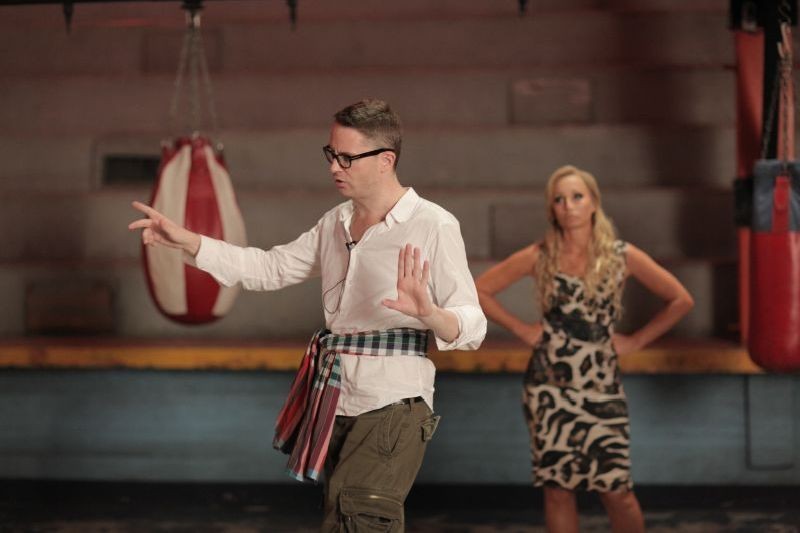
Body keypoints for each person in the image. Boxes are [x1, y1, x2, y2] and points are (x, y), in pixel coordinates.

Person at [128, 98, 486, 532]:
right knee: (340, 518)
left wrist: (430, 313)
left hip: (392, 403)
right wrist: (189, 242)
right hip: (337, 396)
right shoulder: (334, 223)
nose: (335, 167)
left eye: (347, 158)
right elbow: (270, 268)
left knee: (360, 521)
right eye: (331, 154)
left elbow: (473, 326)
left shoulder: (433, 225)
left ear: (385, 160)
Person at [475, 165, 693, 533]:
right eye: (559, 199)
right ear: (552, 209)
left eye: (577, 196)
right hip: (549, 386)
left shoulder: (622, 255)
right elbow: (479, 290)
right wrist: (522, 330)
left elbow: (681, 299)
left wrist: (637, 340)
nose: (568, 205)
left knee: (616, 489)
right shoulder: (539, 254)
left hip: (601, 385)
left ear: (594, 202)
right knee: (558, 489)